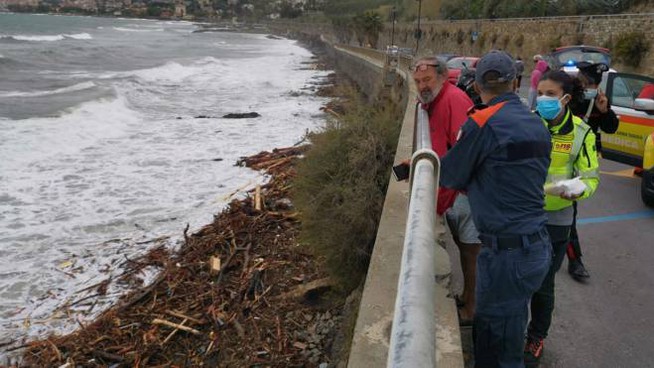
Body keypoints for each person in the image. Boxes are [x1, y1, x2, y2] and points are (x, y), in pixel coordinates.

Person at [440, 50, 552, 368]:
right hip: (535, 247)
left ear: (476, 86)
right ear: (515, 82)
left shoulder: (482, 122)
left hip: (507, 254)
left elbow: (450, 175)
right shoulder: (536, 123)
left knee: (500, 343)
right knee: (501, 327)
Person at [524, 70, 600, 367]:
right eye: (540, 92)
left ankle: (536, 337)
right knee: (516, 277)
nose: (543, 99)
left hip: (557, 220)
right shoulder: (528, 123)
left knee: (543, 283)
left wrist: (577, 190)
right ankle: (509, 330)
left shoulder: (582, 133)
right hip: (524, 215)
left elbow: (591, 178)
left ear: (566, 98)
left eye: (551, 94)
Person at [411, 56, 481, 324]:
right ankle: (466, 296)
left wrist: (453, 188)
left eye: (427, 80)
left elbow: (464, 153)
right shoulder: (429, 102)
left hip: (462, 193)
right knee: (465, 251)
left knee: (470, 253)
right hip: (449, 191)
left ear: (442, 77)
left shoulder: (454, 100)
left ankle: (471, 307)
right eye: (417, 82)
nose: (421, 86)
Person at [564, 62, 619, 281]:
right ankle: (574, 259)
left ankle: (573, 260)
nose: (589, 88)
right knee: (566, 213)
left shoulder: (600, 102)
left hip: (581, 164)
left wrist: (605, 111)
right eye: (585, 83)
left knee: (569, 210)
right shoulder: (568, 97)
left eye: (593, 84)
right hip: (560, 159)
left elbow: (611, 127)